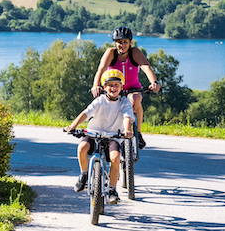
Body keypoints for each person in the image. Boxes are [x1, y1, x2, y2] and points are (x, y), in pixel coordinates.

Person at [65, 69, 135, 204]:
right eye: (110, 85)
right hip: (94, 134)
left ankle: (112, 189)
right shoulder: (100, 100)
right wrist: (72, 126)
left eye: (116, 85)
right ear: (104, 87)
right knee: (82, 148)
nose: (113, 88)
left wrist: (127, 130)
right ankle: (84, 175)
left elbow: (127, 116)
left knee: (115, 158)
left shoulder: (125, 102)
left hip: (113, 137)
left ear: (122, 87)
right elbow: (86, 113)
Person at [91, 26, 159, 148]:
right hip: (115, 89)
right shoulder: (111, 53)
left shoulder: (135, 53)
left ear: (130, 42)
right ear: (114, 43)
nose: (122, 45)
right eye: (119, 42)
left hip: (133, 89)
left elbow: (146, 67)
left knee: (137, 99)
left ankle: (137, 133)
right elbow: (101, 69)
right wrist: (96, 85)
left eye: (125, 42)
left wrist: (154, 82)